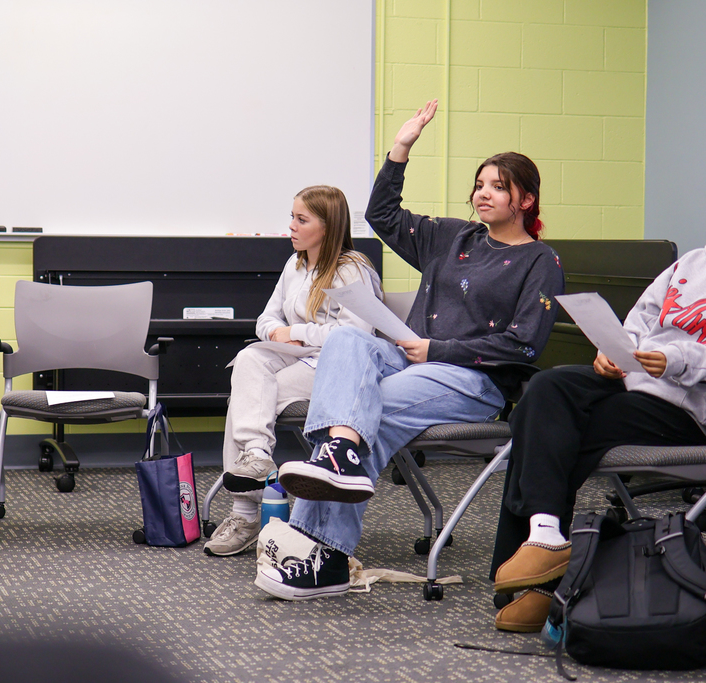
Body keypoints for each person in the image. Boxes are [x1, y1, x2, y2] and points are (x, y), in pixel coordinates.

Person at [256, 100, 565, 600]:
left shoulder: (540, 261)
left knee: (365, 414)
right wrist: (401, 148)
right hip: (409, 356)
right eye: (480, 184)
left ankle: (322, 553)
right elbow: (381, 214)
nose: (482, 194)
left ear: (525, 201)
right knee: (350, 340)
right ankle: (338, 461)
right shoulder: (452, 237)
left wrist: (436, 347)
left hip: (471, 379)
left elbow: (524, 344)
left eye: (497, 187)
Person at [489, 253, 706, 632]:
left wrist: (673, 359)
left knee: (558, 429)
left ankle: (547, 582)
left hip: (686, 408)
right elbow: (640, 318)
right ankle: (545, 538)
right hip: (634, 380)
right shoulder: (691, 262)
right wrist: (613, 349)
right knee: (545, 390)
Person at [203, 185, 382, 556]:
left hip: (331, 369)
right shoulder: (295, 264)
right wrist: (276, 332)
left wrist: (297, 333)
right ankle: (257, 455)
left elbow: (358, 336)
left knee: (246, 398)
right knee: (250, 359)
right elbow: (265, 318)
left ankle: (244, 511)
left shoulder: (352, 269)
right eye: (292, 217)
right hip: (293, 355)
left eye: (301, 220)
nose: (291, 227)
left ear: (328, 227)